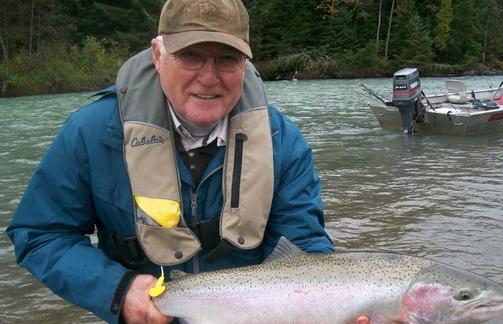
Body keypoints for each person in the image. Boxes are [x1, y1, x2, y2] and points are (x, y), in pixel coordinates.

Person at [7, 0, 370, 323]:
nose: (209, 77)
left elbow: (304, 249)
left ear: (245, 64)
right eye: (191, 55)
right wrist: (117, 290)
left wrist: (341, 308)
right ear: (157, 55)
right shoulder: (92, 133)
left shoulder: (282, 142)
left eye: (226, 59)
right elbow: (41, 234)